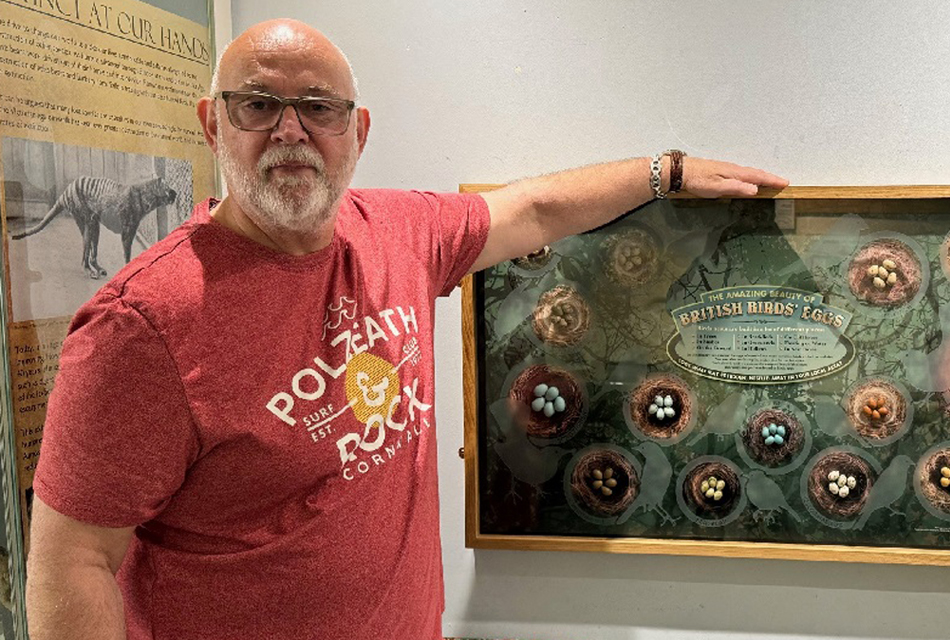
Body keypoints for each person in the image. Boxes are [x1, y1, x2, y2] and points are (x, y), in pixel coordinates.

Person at [24, 18, 788, 640]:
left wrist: (666, 173)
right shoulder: (140, 325)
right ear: (211, 121)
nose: (291, 130)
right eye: (257, 104)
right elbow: (72, 567)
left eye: (318, 108)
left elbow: (532, 210)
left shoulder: (398, 231)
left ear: (356, 130)